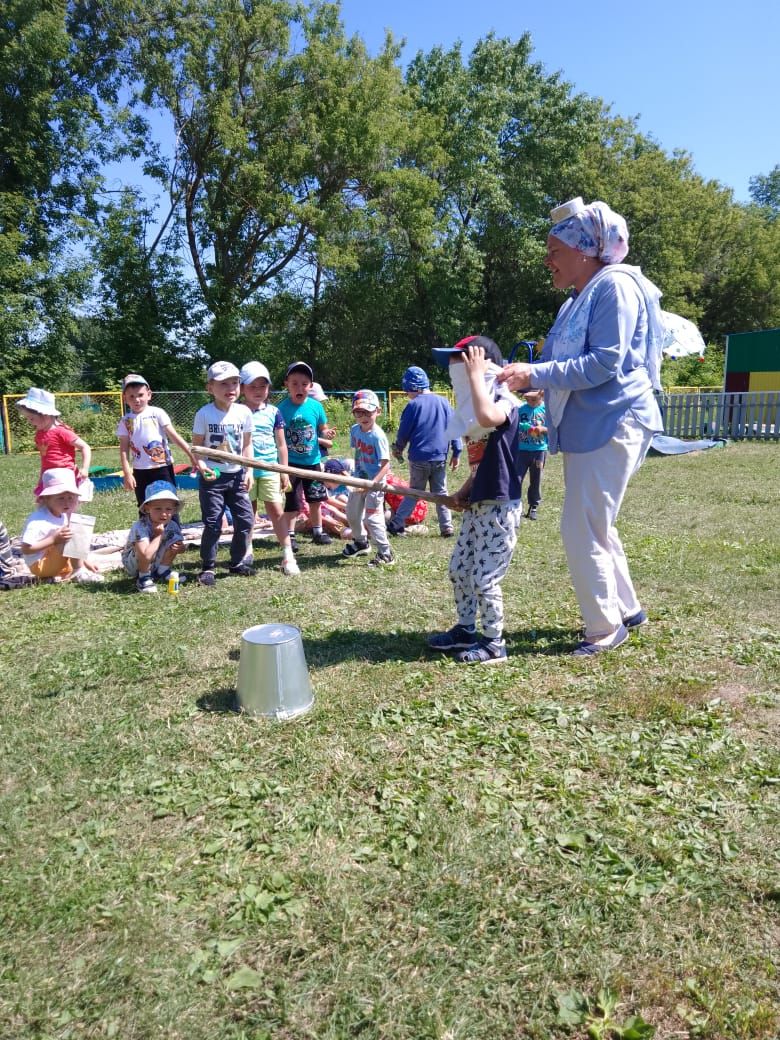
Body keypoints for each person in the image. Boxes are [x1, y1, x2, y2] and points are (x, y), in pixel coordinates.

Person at [498, 197, 664, 655]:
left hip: (614, 421)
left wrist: (537, 375)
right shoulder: (578, 300)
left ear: (584, 251)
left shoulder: (614, 287)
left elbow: (605, 364)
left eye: (554, 250)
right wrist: (536, 385)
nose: (547, 260)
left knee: (580, 527)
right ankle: (627, 609)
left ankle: (604, 628)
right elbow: (564, 368)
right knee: (595, 523)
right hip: (592, 424)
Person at [427, 337, 522, 664]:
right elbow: (480, 467)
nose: (457, 373)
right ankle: (466, 629)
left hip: (500, 508)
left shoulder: (504, 400)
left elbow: (487, 416)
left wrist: (476, 377)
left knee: (484, 578)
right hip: (480, 504)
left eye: (462, 364)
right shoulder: (472, 411)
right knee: (460, 569)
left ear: (481, 366)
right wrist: (463, 492)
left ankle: (495, 643)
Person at [191, 361, 255, 586]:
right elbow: (196, 448)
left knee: (246, 520)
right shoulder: (204, 414)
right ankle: (207, 567)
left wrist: (249, 471)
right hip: (213, 476)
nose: (231, 388)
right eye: (223, 383)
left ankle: (236, 562)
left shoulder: (244, 412)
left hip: (237, 475)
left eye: (235, 383)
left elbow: (247, 446)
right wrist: (201, 465)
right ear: (210, 388)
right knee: (213, 523)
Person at [239, 361, 299, 576]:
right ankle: (246, 550)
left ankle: (287, 554)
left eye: (262, 386)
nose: (258, 391)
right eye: (252, 386)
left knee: (276, 510)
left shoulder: (274, 412)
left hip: (270, 469)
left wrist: (284, 472)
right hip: (245, 471)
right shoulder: (237, 412)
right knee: (248, 513)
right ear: (242, 388)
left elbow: (282, 444)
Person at [389, 366, 461, 537]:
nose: (408, 395)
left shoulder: (413, 405)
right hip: (439, 457)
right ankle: (447, 527)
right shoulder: (444, 402)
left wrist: (398, 448)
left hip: (419, 458)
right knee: (441, 493)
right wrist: (457, 451)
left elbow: (404, 432)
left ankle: (397, 523)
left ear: (414, 388)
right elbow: (455, 428)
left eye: (408, 391)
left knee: (414, 492)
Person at [277, 361, 336, 551]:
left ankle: (318, 531)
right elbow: (277, 436)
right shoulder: (281, 409)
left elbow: (323, 429)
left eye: (304, 383)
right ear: (286, 384)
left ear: (310, 386)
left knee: (315, 499)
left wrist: (327, 434)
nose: (299, 387)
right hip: (291, 464)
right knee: (292, 501)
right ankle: (290, 534)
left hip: (313, 462)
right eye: (294, 383)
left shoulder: (316, 407)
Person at [116, 373, 198, 506]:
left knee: (168, 501)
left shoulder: (157, 413)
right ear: (125, 398)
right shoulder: (125, 421)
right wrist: (127, 472)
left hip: (162, 467)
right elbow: (124, 448)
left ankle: (173, 526)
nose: (136, 399)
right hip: (140, 470)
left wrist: (191, 454)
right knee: (145, 504)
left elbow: (174, 436)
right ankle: (146, 527)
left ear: (149, 394)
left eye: (140, 395)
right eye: (131, 396)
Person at [20, 468, 104, 583]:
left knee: (74, 527)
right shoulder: (38, 520)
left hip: (52, 559)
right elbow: (26, 549)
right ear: (46, 498)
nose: (67, 502)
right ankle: (79, 572)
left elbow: (71, 546)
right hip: (40, 565)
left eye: (70, 498)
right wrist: (53, 539)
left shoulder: (62, 514)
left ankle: (79, 568)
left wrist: (84, 561)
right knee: (72, 532)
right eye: (60, 498)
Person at [340, 390, 394, 567]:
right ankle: (361, 542)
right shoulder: (355, 431)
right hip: (358, 480)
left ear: (377, 411)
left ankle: (386, 553)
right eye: (359, 412)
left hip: (375, 483)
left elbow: (386, 465)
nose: (363, 416)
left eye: (368, 412)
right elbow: (358, 453)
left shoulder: (378, 436)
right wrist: (356, 476)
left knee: (373, 518)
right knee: (352, 514)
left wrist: (373, 484)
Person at [16, 388, 92, 497]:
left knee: (64, 504)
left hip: (64, 475)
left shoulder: (62, 431)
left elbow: (85, 447)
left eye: (31, 418)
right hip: (49, 476)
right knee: (46, 505)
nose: (29, 421)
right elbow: (45, 460)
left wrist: (85, 468)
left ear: (45, 414)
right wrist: (41, 480)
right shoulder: (39, 434)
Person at [122, 480, 187, 592]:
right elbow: (146, 555)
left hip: (157, 559)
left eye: (168, 509)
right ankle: (143, 577)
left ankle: (163, 570)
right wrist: (159, 535)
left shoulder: (172, 525)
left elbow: (178, 546)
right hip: (134, 565)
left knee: (174, 540)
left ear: (174, 510)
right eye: (158, 508)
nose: (163, 514)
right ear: (147, 508)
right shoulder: (140, 526)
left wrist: (181, 548)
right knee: (142, 547)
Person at [516, 389, 548, 520]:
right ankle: (515, 505)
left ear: (542, 395)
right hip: (521, 450)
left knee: (536, 478)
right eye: (527, 398)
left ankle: (533, 506)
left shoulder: (547, 410)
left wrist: (542, 429)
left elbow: (553, 428)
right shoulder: (520, 408)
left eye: (534, 399)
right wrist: (523, 427)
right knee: (516, 478)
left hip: (539, 450)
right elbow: (514, 425)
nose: (530, 402)